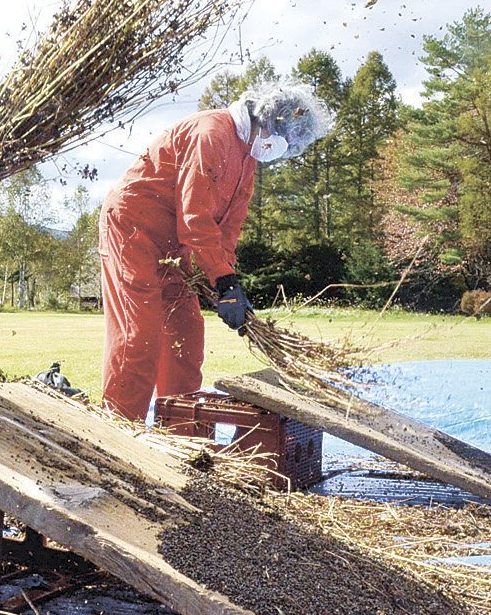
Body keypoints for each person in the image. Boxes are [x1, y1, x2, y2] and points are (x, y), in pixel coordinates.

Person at [98, 82, 333, 422]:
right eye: (287, 143)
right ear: (272, 123)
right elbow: (195, 217)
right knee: (139, 339)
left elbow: (227, 230)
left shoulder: (247, 159)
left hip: (173, 247)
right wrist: (223, 281)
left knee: (187, 339)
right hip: (133, 231)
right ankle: (117, 435)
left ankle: (181, 441)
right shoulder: (212, 134)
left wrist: (228, 283)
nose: (283, 152)